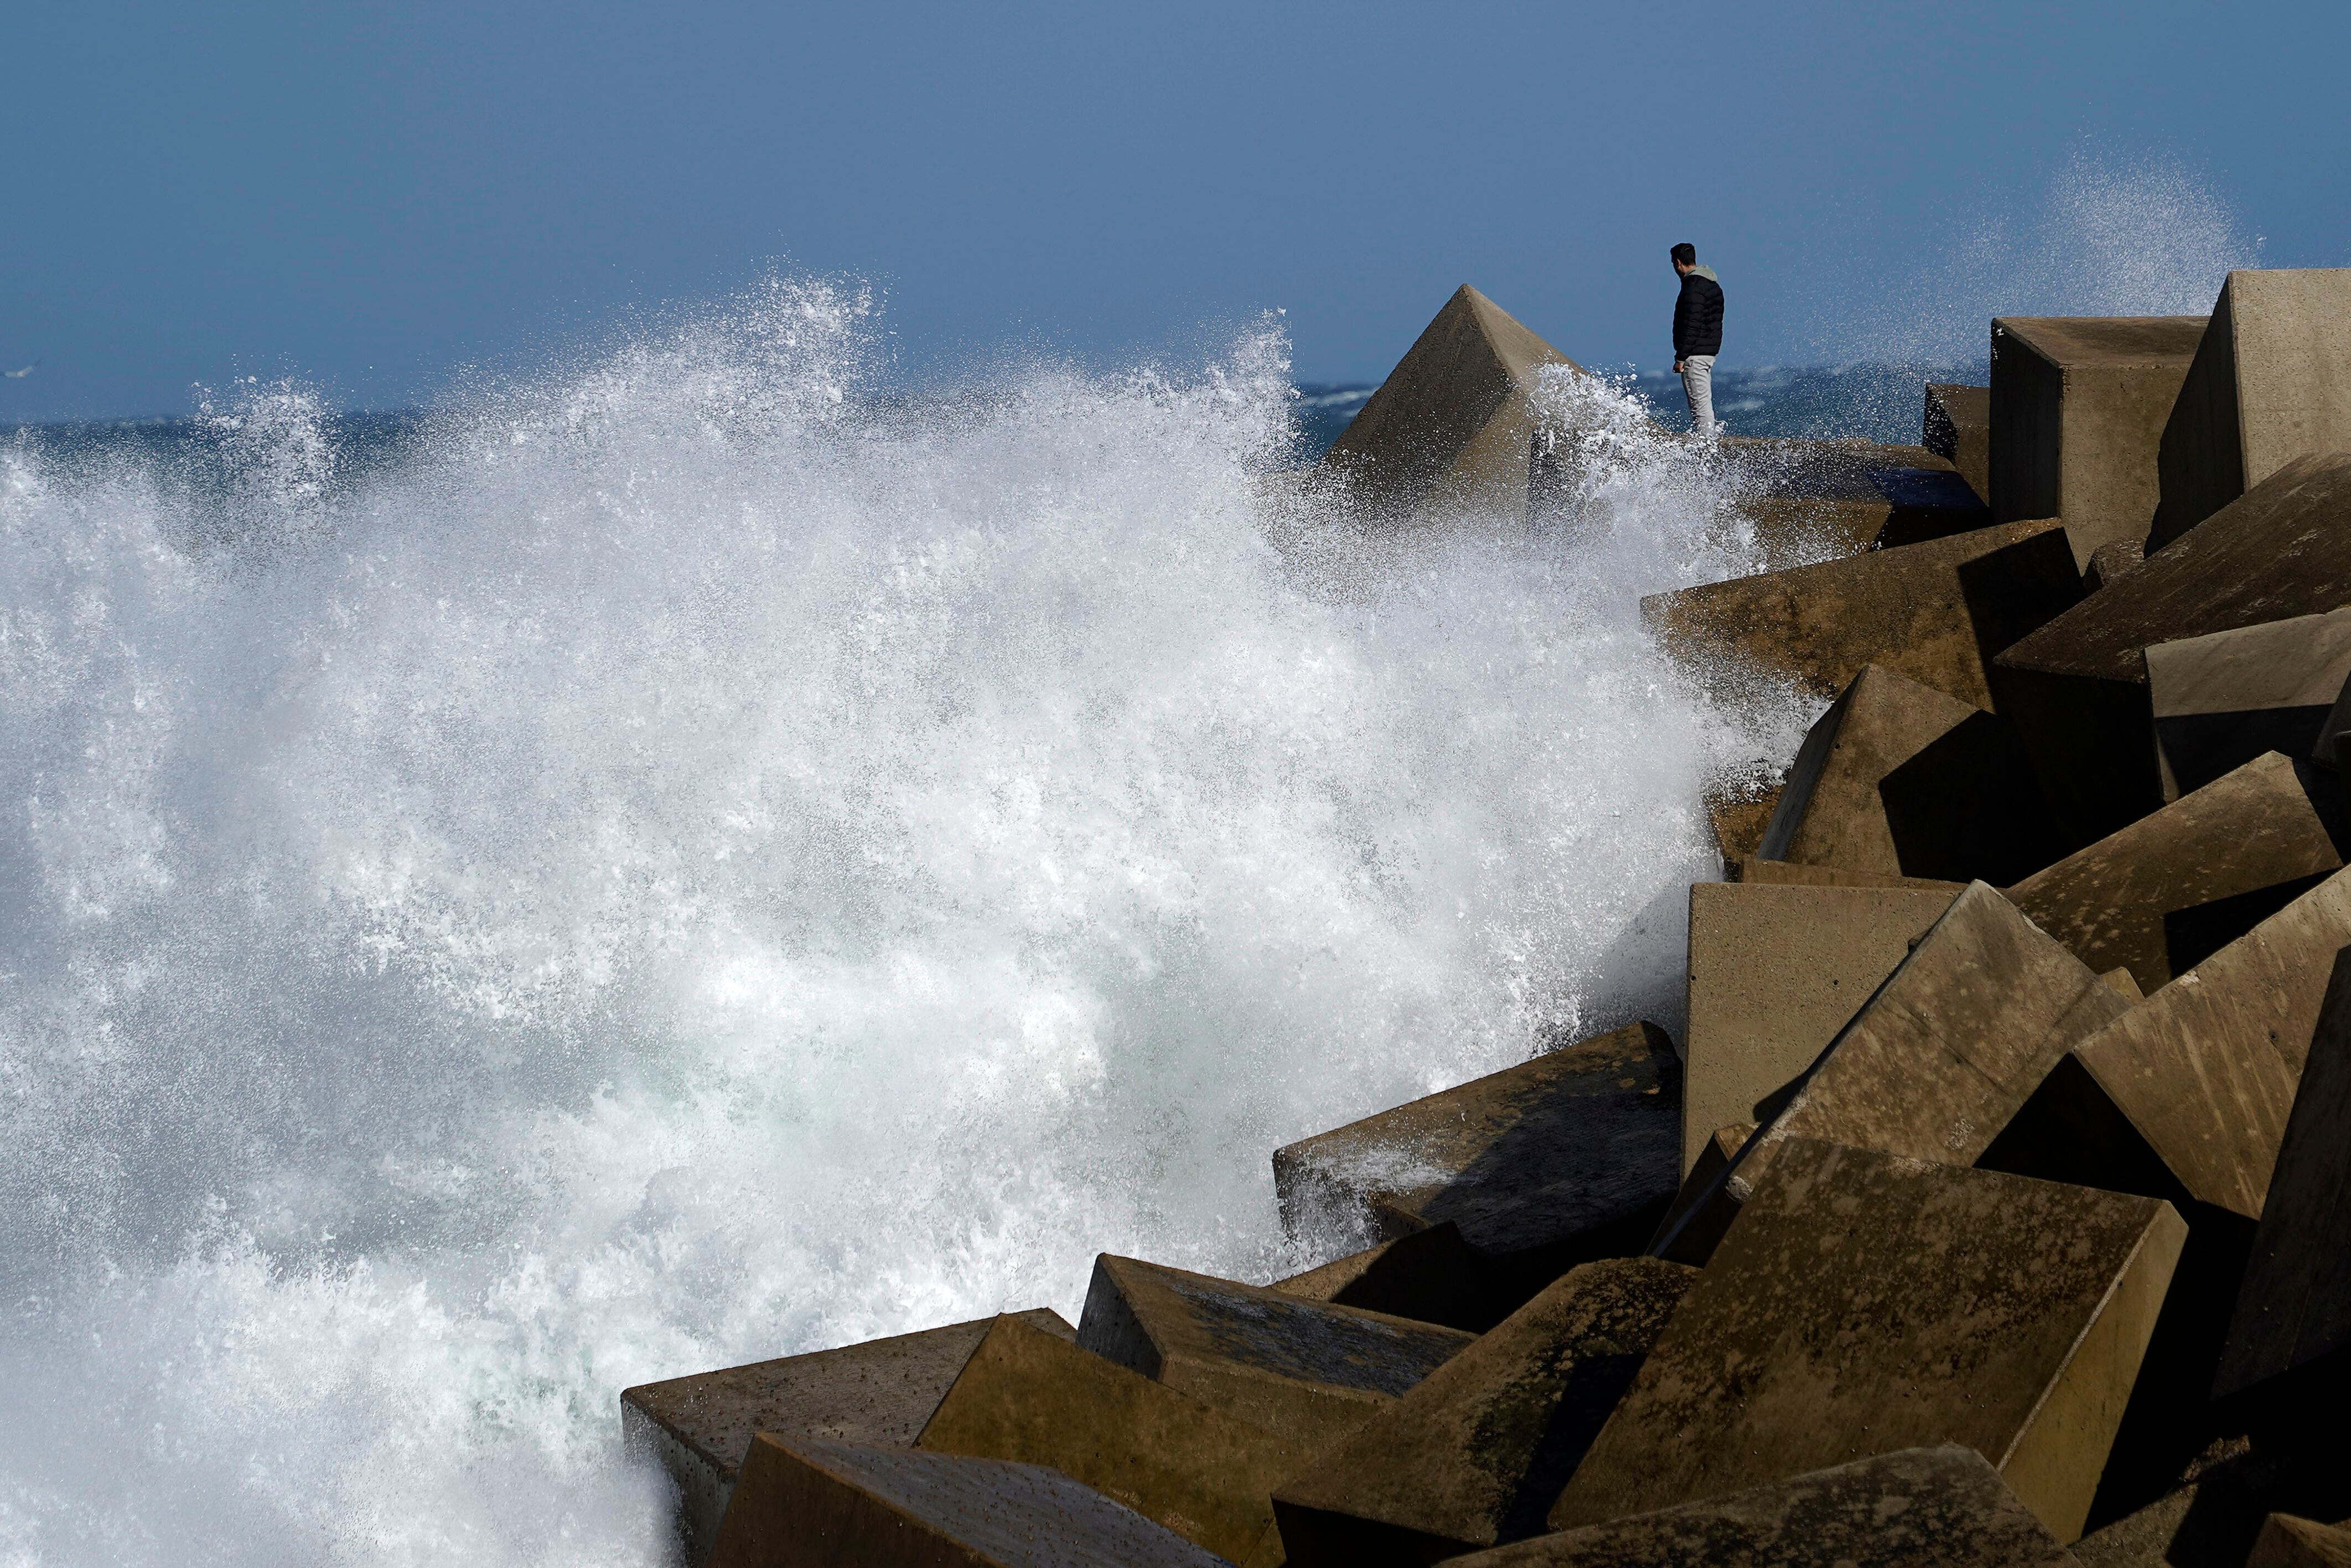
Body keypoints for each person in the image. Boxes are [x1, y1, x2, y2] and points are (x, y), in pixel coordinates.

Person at [1670, 243, 1724, 436]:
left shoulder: (1693, 288)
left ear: (1677, 263)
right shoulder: (1712, 285)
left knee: (1699, 406)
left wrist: (1681, 358)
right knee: (1703, 401)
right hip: (1709, 351)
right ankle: (1708, 442)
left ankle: (1706, 449)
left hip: (1695, 354)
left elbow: (1691, 324)